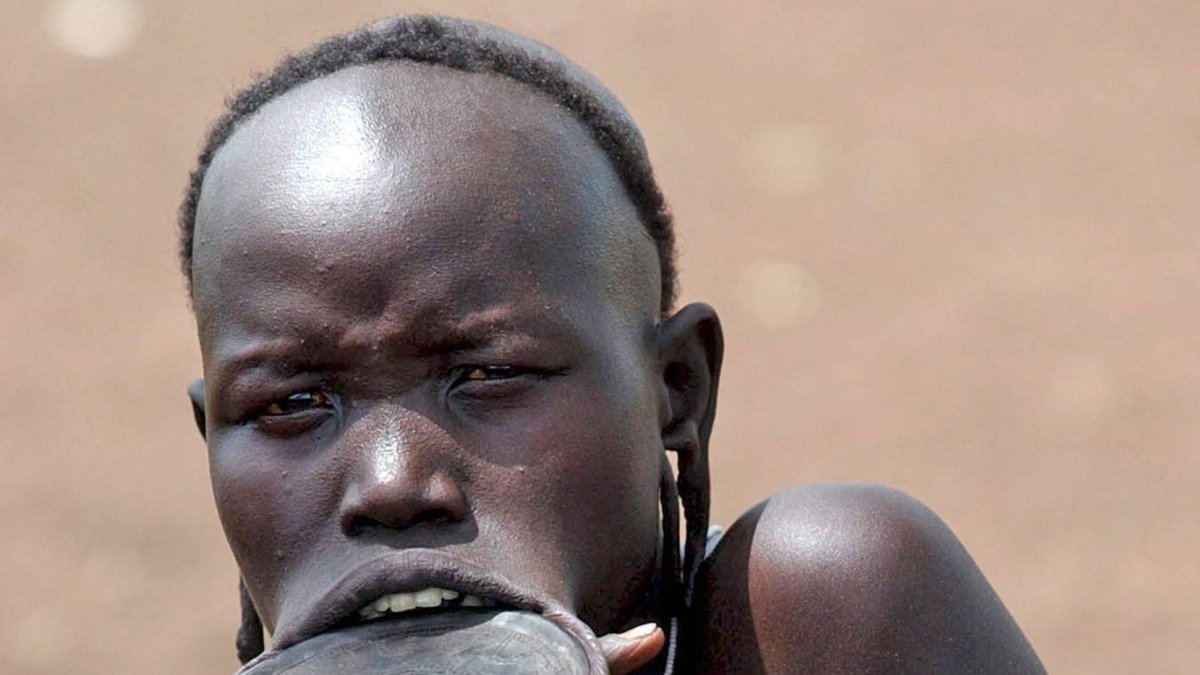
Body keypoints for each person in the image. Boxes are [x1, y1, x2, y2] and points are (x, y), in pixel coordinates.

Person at [180, 14, 1045, 674]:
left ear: (676, 386)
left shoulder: (818, 613)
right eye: (291, 404)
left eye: (490, 374)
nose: (394, 484)